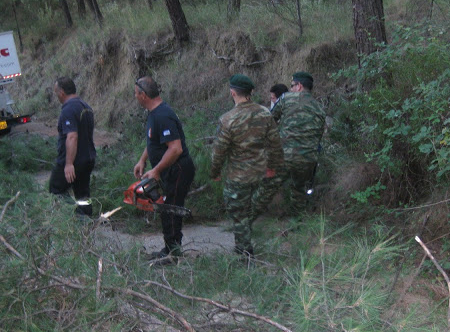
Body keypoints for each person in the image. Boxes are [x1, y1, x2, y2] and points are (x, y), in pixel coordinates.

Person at [210, 74, 284, 257]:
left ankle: (244, 251)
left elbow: (219, 151)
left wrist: (215, 172)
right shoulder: (265, 114)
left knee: (238, 212)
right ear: (251, 92)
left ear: (232, 92)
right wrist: (272, 167)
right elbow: (275, 144)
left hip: (238, 176)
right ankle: (247, 239)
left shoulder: (227, 119)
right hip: (261, 172)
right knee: (250, 210)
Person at [133, 76, 195, 260]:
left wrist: (157, 170)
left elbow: (175, 149)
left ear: (143, 95)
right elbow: (155, 141)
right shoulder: (154, 113)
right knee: (166, 208)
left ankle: (173, 252)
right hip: (169, 169)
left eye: (136, 94)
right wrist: (143, 159)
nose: (135, 97)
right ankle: (169, 248)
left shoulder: (163, 114)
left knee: (171, 209)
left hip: (178, 169)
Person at [260, 71, 326, 213]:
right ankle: (298, 221)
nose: (290, 89)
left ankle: (250, 216)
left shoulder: (286, 99)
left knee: (267, 185)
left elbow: (270, 121)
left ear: (299, 86)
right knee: (299, 189)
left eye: (292, 86)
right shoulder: (319, 108)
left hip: (285, 156)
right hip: (308, 159)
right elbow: (318, 135)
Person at [49, 76, 96, 216]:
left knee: (56, 190)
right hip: (87, 159)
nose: (56, 96)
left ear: (62, 92)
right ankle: (86, 223)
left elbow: (72, 136)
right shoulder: (85, 106)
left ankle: (75, 218)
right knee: (83, 195)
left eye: (56, 92)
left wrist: (68, 164)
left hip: (73, 161)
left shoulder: (68, 109)